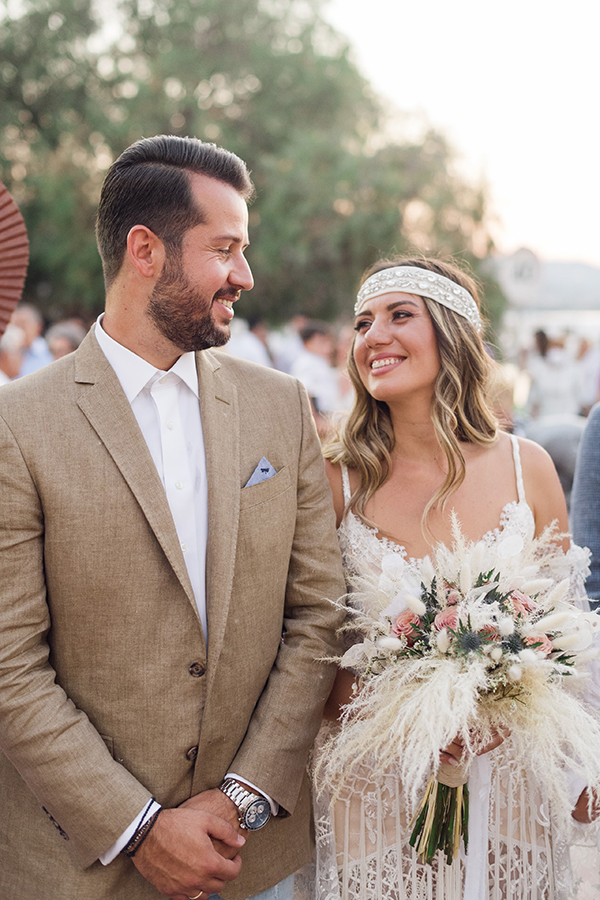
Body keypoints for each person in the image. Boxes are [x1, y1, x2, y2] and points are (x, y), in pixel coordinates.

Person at [0, 135, 345, 900]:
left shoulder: (279, 405)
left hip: (249, 860)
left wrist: (243, 797)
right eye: (225, 249)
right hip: (78, 869)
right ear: (146, 249)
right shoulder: (16, 424)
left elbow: (319, 613)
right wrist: (140, 827)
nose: (245, 275)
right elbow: (10, 664)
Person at [302, 258, 598, 900]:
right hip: (379, 786)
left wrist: (580, 765)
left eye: (399, 315)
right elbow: (307, 650)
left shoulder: (530, 468)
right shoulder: (334, 481)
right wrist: (420, 717)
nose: (373, 336)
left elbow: (568, 635)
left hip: (515, 781)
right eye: (362, 323)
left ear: (453, 334)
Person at [10, 301, 54, 375]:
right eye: (15, 324)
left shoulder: (48, 351)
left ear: (38, 327)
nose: (18, 329)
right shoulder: (9, 352)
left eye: (22, 324)